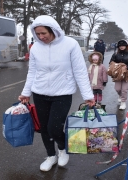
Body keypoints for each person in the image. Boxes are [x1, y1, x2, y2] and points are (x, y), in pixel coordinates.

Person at [18, 15, 95, 172]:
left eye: (44, 33)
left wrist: (88, 96)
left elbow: (80, 71)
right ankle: (51, 155)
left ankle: (62, 148)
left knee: (54, 127)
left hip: (62, 93)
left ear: (53, 30)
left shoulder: (70, 45)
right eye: (37, 34)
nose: (41, 37)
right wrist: (26, 93)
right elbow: (32, 72)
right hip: (40, 94)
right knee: (44, 128)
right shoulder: (35, 48)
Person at [109, 39, 128, 110]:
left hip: (127, 73)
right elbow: (111, 62)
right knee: (117, 88)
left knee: (124, 89)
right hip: (118, 73)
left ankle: (123, 102)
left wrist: (127, 67)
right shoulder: (116, 54)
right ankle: (120, 95)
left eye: (123, 46)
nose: (122, 47)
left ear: (126, 46)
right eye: (120, 46)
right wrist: (116, 66)